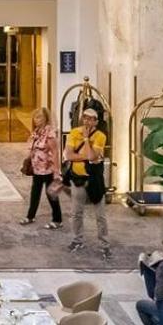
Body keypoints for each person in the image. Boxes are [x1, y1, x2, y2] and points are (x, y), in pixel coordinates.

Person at [64, 107, 110, 259]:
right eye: (85, 117)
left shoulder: (100, 136)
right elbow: (69, 155)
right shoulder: (73, 132)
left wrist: (85, 140)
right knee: (76, 213)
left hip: (94, 180)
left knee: (100, 215)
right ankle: (78, 240)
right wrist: (83, 156)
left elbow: (91, 156)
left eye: (91, 118)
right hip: (77, 178)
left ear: (96, 121)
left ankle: (104, 245)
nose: (87, 121)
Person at [18, 106, 62, 228]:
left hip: (48, 169)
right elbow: (32, 148)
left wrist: (57, 171)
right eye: (35, 117)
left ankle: (57, 220)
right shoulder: (37, 131)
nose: (36, 120)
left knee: (51, 194)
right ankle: (30, 216)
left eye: (39, 117)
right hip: (37, 169)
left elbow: (55, 152)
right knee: (35, 193)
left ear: (45, 118)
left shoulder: (50, 133)